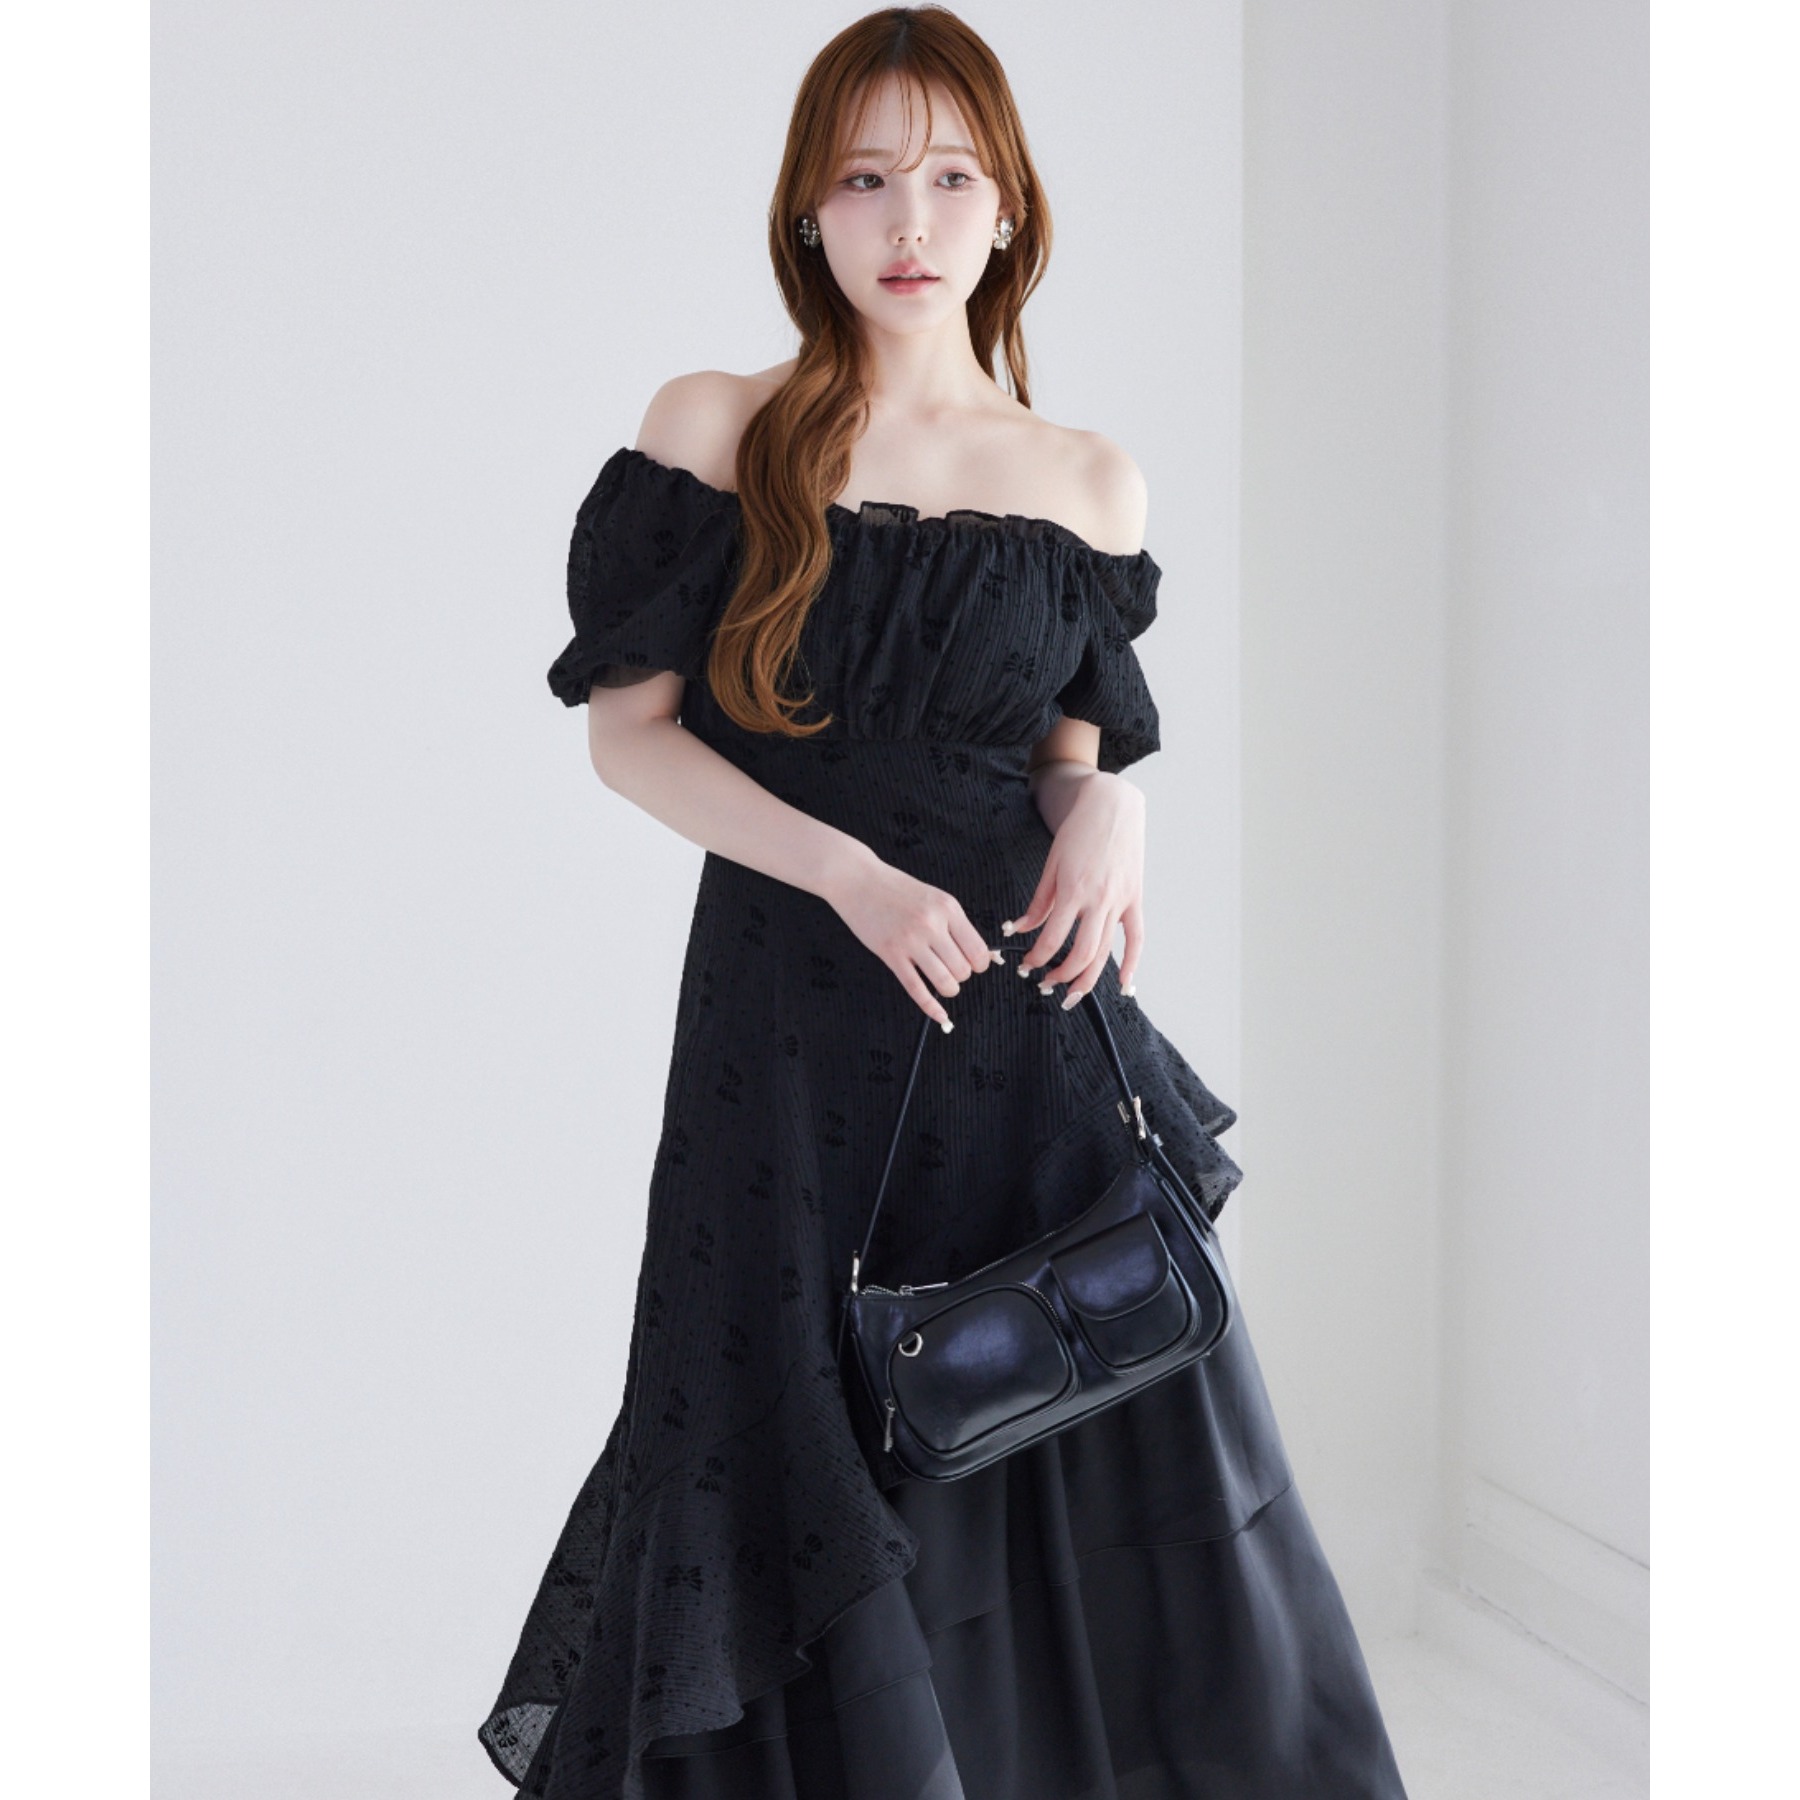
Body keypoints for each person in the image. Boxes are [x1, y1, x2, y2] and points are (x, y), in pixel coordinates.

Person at [479, 9, 1408, 1798]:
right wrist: (846, 875)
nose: (910, 219)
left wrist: (1113, 806)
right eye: (865, 178)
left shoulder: (1086, 482)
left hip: (1025, 1034)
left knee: (1079, 1416)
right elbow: (628, 738)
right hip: (786, 1040)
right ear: (808, 211)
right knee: (774, 1418)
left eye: (953, 177)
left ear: (1010, 209)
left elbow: (1063, 761)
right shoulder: (718, 428)